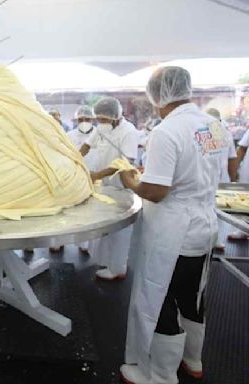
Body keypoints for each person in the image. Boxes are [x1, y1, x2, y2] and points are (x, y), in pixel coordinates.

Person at [119, 67, 224, 383]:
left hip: (173, 232)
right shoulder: (213, 125)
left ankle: (161, 374)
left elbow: (156, 192)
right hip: (204, 225)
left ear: (156, 95)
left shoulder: (165, 132)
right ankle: (193, 360)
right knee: (192, 296)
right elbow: (205, 168)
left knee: (160, 297)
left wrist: (131, 182)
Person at [79, 97, 138, 280]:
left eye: (104, 119)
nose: (100, 122)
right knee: (108, 229)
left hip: (122, 186)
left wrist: (97, 175)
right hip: (106, 186)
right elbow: (87, 145)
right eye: (99, 119)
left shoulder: (128, 132)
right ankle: (107, 262)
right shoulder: (100, 129)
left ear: (116, 116)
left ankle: (118, 268)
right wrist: (75, 158)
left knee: (120, 231)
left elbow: (125, 163)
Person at [67, 104, 99, 254]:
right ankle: (70, 240)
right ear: (76, 120)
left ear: (93, 119)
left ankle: (87, 244)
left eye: (87, 119)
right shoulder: (70, 136)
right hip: (76, 177)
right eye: (81, 119)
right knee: (75, 210)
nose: (84, 121)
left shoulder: (100, 135)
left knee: (92, 210)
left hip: (96, 177)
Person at [206, 108, 237, 250]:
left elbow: (232, 159)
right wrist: (233, 179)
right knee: (218, 212)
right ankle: (217, 240)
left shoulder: (200, 135)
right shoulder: (227, 134)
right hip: (221, 181)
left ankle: (211, 240)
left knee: (208, 211)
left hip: (206, 181)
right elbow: (232, 160)